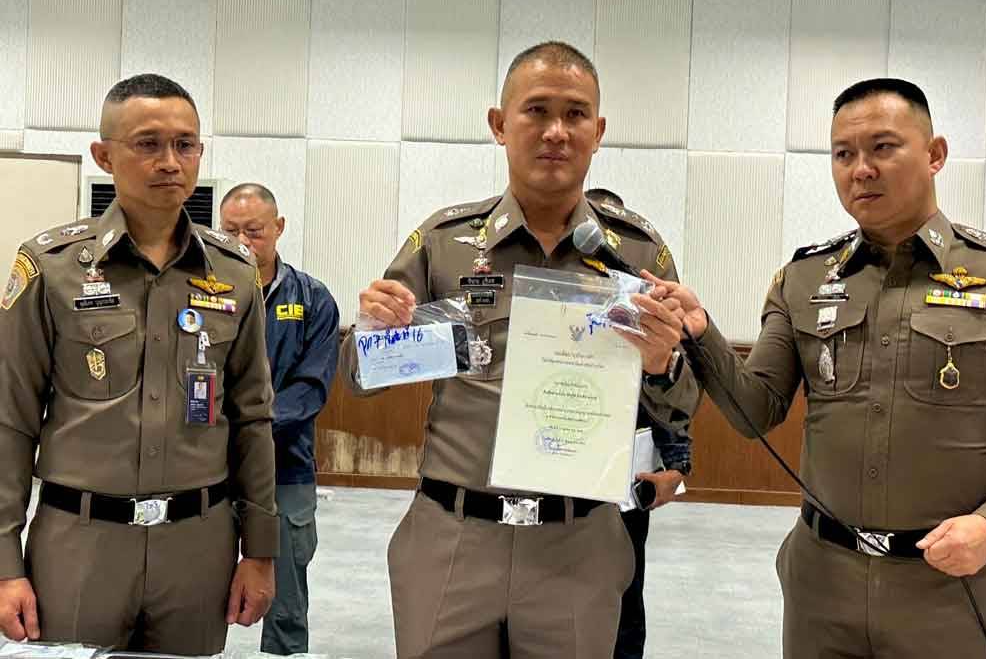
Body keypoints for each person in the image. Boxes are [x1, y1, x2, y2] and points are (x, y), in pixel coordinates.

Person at [339, 41, 699, 659]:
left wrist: (664, 362)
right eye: (536, 111)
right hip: (452, 534)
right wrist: (374, 329)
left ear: (599, 130)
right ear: (500, 125)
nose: (556, 131)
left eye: (576, 114)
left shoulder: (637, 254)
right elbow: (358, 377)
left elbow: (684, 402)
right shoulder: (444, 241)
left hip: (579, 541)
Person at [664, 78, 986, 657]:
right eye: (843, 154)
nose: (861, 169)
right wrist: (701, 331)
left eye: (883, 147)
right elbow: (753, 411)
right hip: (823, 586)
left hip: (951, 588)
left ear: (935, 153)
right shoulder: (804, 280)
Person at [0, 73, 277, 654]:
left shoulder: (233, 272)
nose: (170, 161)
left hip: (198, 547)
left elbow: (252, 419)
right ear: (104, 156)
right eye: (147, 144)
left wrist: (260, 550)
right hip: (79, 545)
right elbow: (10, 420)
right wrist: (4, 561)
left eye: (185, 144)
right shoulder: (50, 267)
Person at [221, 183, 340, 655]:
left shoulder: (312, 299)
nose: (245, 242)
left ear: (279, 228)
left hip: (285, 467)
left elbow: (311, 389)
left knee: (286, 594)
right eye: (231, 232)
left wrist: (249, 426)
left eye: (255, 231)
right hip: (209, 466)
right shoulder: (204, 295)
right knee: (188, 586)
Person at [585, 187, 690, 659]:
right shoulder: (553, 299)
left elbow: (666, 391)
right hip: (554, 467)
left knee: (624, 596)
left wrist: (678, 467)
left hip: (626, 476)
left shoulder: (643, 304)